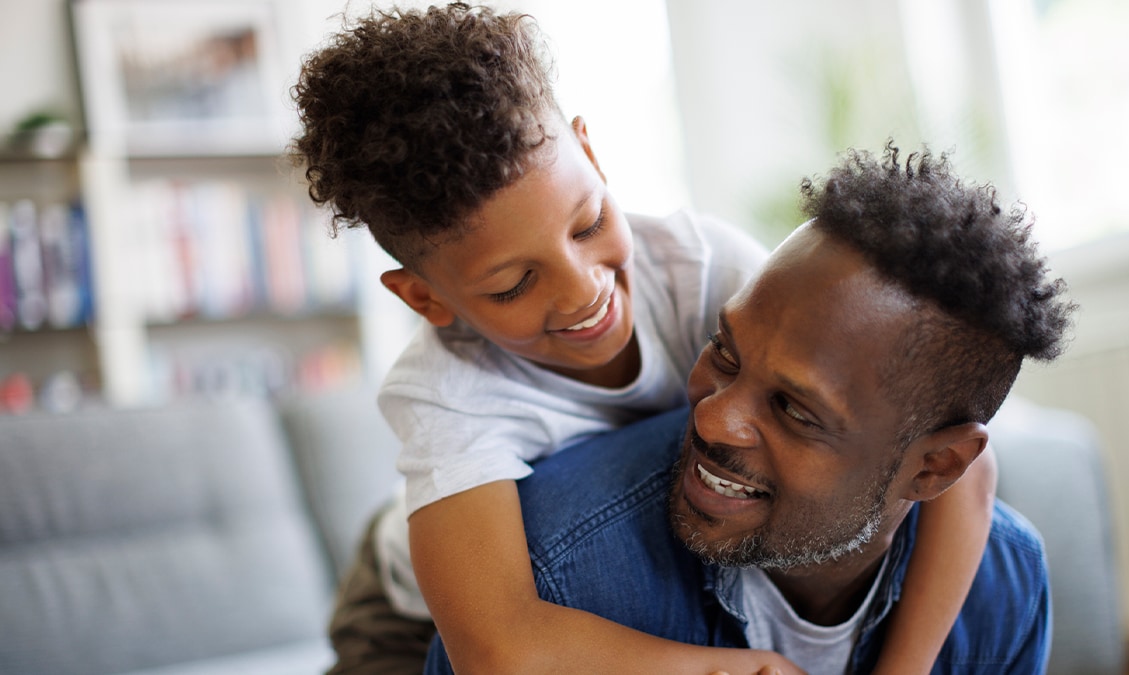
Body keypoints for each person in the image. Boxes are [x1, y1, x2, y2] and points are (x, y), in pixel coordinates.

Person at [290, 3, 997, 673]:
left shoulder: (704, 272)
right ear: (426, 298)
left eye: (588, 222)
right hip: (405, 616)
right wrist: (726, 665)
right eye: (513, 285)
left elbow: (967, 476)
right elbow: (497, 646)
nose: (583, 291)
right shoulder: (443, 393)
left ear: (592, 156)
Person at [422, 143, 1074, 674]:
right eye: (725, 352)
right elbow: (497, 645)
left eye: (793, 408)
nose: (710, 418)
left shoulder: (1004, 584)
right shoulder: (556, 579)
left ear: (934, 468)